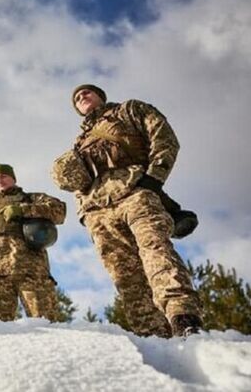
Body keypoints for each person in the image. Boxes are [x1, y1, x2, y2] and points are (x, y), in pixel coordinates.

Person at [51, 84, 202, 337]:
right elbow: (79, 183)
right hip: (97, 210)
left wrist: (154, 178)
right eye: (77, 98)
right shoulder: (80, 142)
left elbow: (164, 137)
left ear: (100, 96)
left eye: (87, 92)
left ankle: (184, 318)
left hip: (135, 193)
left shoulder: (129, 110)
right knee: (124, 275)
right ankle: (153, 336)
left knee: (155, 250)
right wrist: (83, 212)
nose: (82, 96)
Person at [0, 164, 65, 322]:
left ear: (13, 178)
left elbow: (60, 210)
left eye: (3, 176)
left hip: (31, 271)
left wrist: (23, 210)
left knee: (46, 322)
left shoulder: (30, 198)